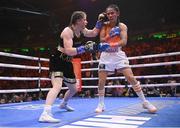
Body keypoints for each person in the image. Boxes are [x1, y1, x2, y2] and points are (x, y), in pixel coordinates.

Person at [39, 11, 109, 123]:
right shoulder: (68, 31)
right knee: (57, 86)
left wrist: (99, 22)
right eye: (84, 19)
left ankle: (63, 104)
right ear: (78, 21)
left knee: (74, 88)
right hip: (58, 59)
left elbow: (93, 33)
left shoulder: (81, 30)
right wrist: (85, 48)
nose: (86, 21)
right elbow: (69, 51)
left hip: (67, 61)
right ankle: (45, 113)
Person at [95, 4, 157, 113]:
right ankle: (101, 103)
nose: (110, 15)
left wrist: (111, 44)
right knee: (101, 81)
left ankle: (144, 102)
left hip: (118, 54)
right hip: (105, 56)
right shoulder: (104, 26)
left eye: (112, 13)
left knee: (130, 77)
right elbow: (102, 41)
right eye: (108, 13)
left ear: (117, 13)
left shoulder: (122, 26)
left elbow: (124, 42)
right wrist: (110, 35)